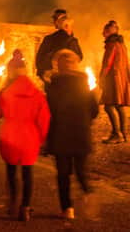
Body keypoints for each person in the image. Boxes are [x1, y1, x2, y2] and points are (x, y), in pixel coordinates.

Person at [0, 50, 51, 221]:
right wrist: (42, 138)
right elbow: (44, 119)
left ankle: (12, 204)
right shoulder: (37, 94)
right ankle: (25, 207)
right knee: (28, 173)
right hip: (29, 137)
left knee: (11, 173)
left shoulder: (5, 92)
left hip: (10, 136)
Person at [46, 49, 99, 220]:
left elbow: (49, 110)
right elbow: (94, 110)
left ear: (58, 65)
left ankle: (67, 208)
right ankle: (88, 193)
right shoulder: (84, 83)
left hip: (60, 134)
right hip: (80, 133)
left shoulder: (53, 85)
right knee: (81, 171)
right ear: (76, 64)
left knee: (63, 174)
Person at [98, 20, 129, 143]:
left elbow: (108, 63)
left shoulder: (112, 44)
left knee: (109, 106)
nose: (104, 33)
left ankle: (117, 134)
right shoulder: (122, 44)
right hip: (122, 78)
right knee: (119, 105)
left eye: (107, 30)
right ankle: (123, 134)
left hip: (113, 78)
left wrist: (101, 78)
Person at [35, 9, 83, 88]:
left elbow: (79, 57)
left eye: (55, 19)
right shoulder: (51, 40)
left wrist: (44, 76)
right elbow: (40, 61)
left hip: (56, 81)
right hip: (63, 81)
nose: (54, 21)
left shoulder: (71, 41)